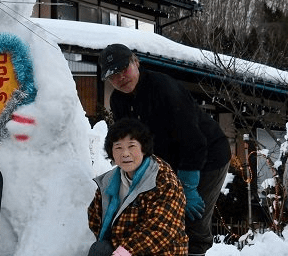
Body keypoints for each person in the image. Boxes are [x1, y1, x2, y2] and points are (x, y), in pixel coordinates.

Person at [99, 43, 231, 256]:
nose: (120, 78)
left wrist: (188, 187)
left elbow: (193, 139)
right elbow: (129, 140)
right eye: (113, 76)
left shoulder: (163, 88)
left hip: (208, 156)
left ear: (136, 62)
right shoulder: (118, 100)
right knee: (164, 217)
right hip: (169, 162)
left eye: (124, 69)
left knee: (192, 220)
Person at [87, 118, 187, 256]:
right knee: (100, 249)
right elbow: (95, 218)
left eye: (131, 146)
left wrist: (126, 251)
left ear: (144, 148)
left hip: (161, 251)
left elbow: (162, 229)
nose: (125, 153)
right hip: (122, 249)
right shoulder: (108, 182)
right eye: (118, 147)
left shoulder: (162, 179)